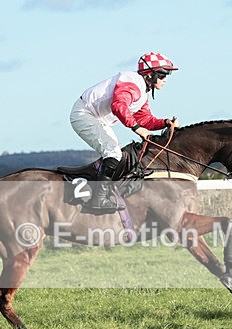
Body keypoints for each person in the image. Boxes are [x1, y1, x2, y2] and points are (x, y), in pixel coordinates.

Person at [70, 52, 179, 212]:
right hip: (85, 115)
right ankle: (98, 199)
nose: (165, 79)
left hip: (96, 118)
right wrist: (135, 128)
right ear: (150, 75)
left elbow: (145, 119)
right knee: (113, 153)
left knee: (115, 154)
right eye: (162, 75)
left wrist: (165, 123)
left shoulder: (142, 91)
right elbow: (118, 105)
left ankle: (99, 189)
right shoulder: (133, 83)